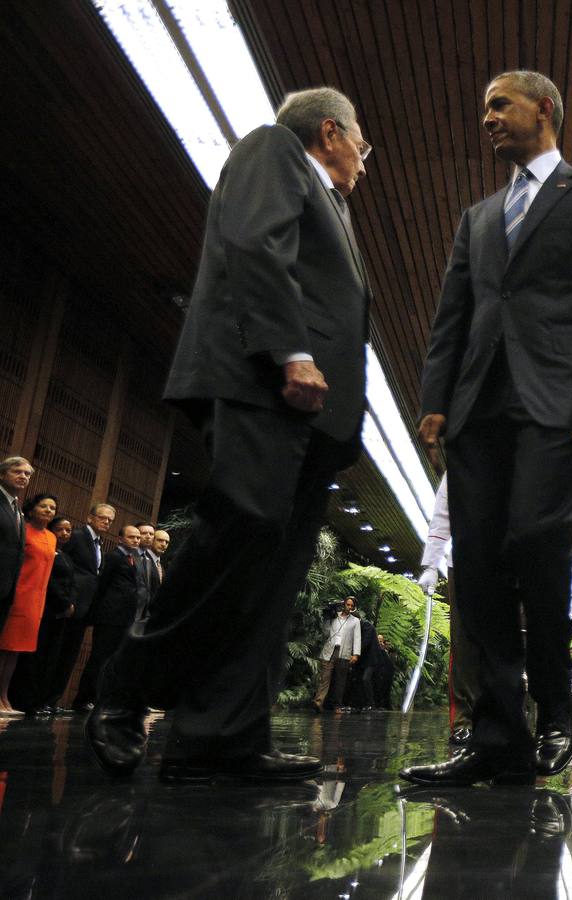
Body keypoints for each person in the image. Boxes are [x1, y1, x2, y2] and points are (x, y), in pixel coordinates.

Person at [86, 86, 373, 783]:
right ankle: (126, 683)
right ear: (329, 132)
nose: (364, 159)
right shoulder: (274, 150)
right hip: (264, 381)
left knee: (274, 572)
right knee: (242, 525)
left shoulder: (334, 205)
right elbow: (255, 246)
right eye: (360, 142)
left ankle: (221, 737)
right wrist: (291, 352)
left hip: (316, 414)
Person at [407, 69, 572, 786]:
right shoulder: (477, 218)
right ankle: (495, 736)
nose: (487, 118)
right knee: (478, 566)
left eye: (499, 105)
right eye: (484, 108)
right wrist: (435, 400)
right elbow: (452, 316)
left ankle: (556, 714)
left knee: (536, 545)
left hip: (556, 404)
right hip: (477, 408)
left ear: (543, 109)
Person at [418, 474, 478, 744]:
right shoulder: (460, 462)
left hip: (507, 563)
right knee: (463, 643)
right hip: (465, 562)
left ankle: (496, 718)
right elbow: (443, 512)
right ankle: (463, 720)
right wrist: (431, 564)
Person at [50, 503, 114, 711]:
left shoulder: (99, 543)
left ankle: (53, 700)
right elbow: (62, 565)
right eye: (102, 517)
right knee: (57, 653)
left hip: (85, 608)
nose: (106, 522)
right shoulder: (77, 536)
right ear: (90, 518)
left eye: (110, 520)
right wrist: (67, 599)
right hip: (69, 604)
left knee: (69, 657)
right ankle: (44, 700)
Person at [79, 524, 149, 711]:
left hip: (126, 618)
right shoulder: (113, 557)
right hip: (110, 617)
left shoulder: (134, 559)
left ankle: (104, 699)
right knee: (100, 658)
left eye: (137, 537)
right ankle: (85, 698)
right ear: (120, 539)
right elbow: (101, 585)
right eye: (131, 537)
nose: (136, 540)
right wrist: (96, 613)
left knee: (114, 662)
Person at [0, 493, 58, 714]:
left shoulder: (52, 537)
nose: (48, 510)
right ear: (32, 509)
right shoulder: (22, 530)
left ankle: (4, 696)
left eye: (52, 508)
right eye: (43, 506)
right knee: (4, 648)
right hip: (18, 595)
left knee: (16, 651)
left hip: (37, 600)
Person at [18, 514, 76, 715]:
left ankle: (43, 700)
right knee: (37, 657)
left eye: (68, 530)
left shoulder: (66, 555)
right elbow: (48, 580)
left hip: (62, 613)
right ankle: (29, 701)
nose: (65, 533)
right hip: (48, 608)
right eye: (60, 529)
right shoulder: (48, 553)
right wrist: (64, 602)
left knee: (51, 659)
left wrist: (71, 603)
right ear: (51, 530)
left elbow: (72, 582)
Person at [0, 457, 35, 626]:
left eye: (27, 474)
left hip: (6, 589)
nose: (23, 476)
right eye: (17, 472)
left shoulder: (17, 509)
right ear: (2, 474)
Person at [312, 597, 361, 711]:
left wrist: (356, 654)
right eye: (348, 604)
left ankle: (337, 705)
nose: (349, 607)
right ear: (343, 604)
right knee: (325, 678)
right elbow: (325, 633)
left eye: (352, 606)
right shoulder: (334, 617)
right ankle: (318, 702)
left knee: (340, 680)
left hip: (344, 652)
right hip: (329, 650)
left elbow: (357, 638)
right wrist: (327, 618)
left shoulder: (355, 621)